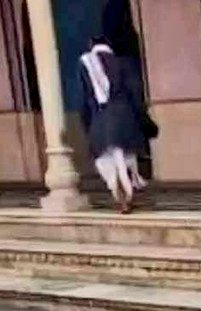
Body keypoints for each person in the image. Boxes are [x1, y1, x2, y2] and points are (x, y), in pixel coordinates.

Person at [78, 36, 148, 213]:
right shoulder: (124, 63)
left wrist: (87, 125)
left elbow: (85, 99)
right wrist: (142, 121)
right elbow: (136, 96)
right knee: (126, 159)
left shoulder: (86, 64)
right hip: (125, 119)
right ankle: (128, 192)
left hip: (100, 120)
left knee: (107, 161)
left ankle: (118, 194)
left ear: (91, 46)